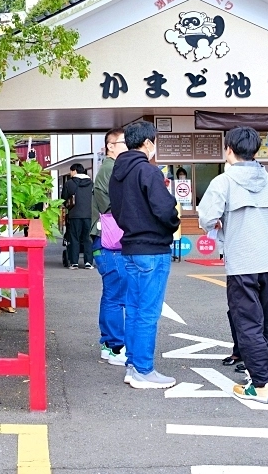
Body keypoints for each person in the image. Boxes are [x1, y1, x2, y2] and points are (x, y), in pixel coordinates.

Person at [197, 126, 268, 404]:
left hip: (242, 265)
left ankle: (260, 384)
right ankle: (258, 373)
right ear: (256, 151)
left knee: (248, 323)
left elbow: (206, 218)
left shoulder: (223, 182)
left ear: (228, 149)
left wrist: (222, 224)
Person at [109, 121, 179, 389]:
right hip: (153, 249)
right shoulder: (149, 172)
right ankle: (143, 370)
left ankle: (133, 365)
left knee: (135, 310)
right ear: (148, 143)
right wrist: (171, 224)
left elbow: (115, 210)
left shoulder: (118, 173)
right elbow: (165, 209)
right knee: (148, 312)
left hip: (129, 247)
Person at [91, 128, 127, 365]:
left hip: (102, 241)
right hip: (110, 242)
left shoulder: (108, 169)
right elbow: (116, 206)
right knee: (116, 294)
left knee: (111, 294)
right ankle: (115, 346)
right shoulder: (112, 169)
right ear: (110, 146)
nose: (128, 145)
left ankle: (108, 343)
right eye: (124, 142)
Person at [63, 163, 94, 269]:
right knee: (87, 238)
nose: (70, 173)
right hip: (89, 215)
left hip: (74, 215)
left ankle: (74, 262)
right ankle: (88, 262)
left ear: (74, 171)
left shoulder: (69, 183)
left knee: (74, 238)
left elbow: (64, 199)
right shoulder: (91, 183)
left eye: (71, 171)